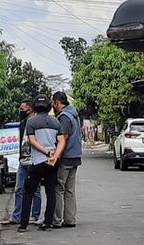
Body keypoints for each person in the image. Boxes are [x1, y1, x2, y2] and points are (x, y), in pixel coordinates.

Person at [18, 94, 65, 233]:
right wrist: (54, 155)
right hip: (52, 163)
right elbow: (62, 141)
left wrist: (46, 152)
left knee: (28, 193)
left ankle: (23, 224)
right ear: (49, 106)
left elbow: (32, 141)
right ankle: (48, 223)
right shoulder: (56, 122)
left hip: (37, 162)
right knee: (51, 192)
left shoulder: (31, 122)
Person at [2, 100, 42, 225]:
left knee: (35, 189)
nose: (21, 111)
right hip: (23, 160)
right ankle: (17, 216)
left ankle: (35, 215)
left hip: (34, 159)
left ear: (30, 109)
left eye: (22, 109)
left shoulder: (37, 122)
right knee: (19, 188)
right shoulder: (23, 123)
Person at [51, 91, 82, 229]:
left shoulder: (64, 116)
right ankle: (70, 219)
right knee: (70, 190)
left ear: (57, 103)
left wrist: (56, 156)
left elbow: (63, 138)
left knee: (59, 188)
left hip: (66, 157)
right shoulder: (74, 114)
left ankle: (57, 220)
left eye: (53, 103)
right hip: (75, 156)